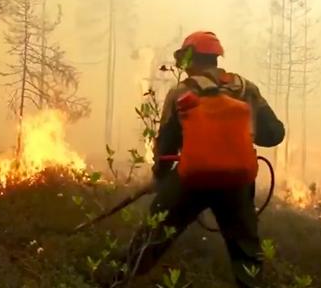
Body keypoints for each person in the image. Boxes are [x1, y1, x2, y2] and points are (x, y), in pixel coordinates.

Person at [102, 31, 285, 287]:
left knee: (150, 239)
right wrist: (244, 129)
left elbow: (166, 144)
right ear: (216, 58)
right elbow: (275, 134)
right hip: (236, 184)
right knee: (247, 256)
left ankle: (112, 281)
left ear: (188, 59)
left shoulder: (181, 92)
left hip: (191, 181)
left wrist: (161, 177)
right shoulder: (245, 89)